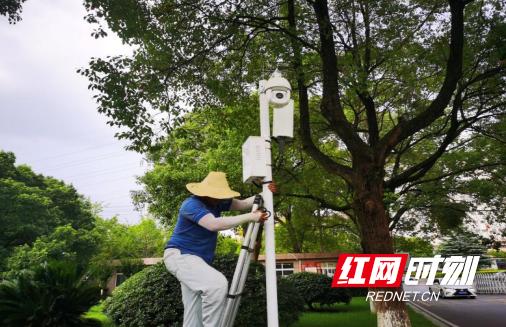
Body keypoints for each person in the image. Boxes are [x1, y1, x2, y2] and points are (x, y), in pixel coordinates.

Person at [163, 171, 276, 327]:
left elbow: (243, 204)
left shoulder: (217, 202)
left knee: (193, 312)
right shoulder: (191, 205)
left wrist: (265, 192)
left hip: (196, 261)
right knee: (216, 285)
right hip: (180, 256)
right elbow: (213, 224)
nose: (219, 198)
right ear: (205, 193)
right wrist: (251, 216)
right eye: (217, 195)